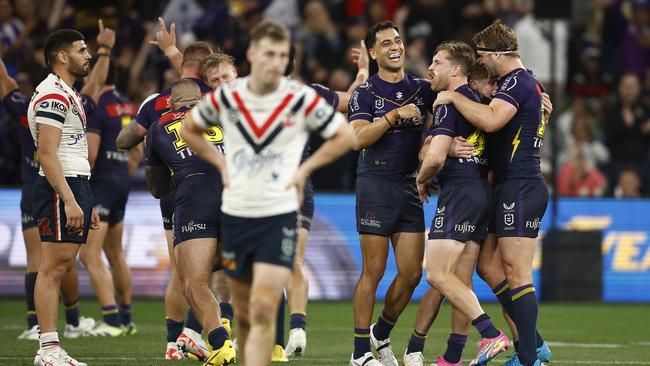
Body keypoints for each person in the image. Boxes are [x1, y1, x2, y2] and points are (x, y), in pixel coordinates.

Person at [179, 20, 354, 366]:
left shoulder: (298, 97)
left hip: (279, 214)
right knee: (244, 312)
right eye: (268, 53)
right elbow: (188, 128)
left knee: (263, 305)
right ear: (252, 54)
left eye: (282, 55)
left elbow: (345, 136)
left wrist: (305, 169)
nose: (275, 61)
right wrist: (221, 163)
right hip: (238, 213)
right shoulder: (230, 95)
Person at [433, 19, 551, 366]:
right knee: (487, 265)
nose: (479, 60)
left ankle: (529, 357)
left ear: (499, 54)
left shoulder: (517, 82)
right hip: (506, 185)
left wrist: (453, 96)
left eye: (482, 54)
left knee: (517, 273)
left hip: (521, 184)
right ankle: (536, 344)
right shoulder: (524, 82)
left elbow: (491, 121)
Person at [115, 18, 218, 359]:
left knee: (183, 272)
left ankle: (176, 340)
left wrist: (147, 142)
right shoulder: (216, 102)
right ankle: (201, 331)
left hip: (173, 189)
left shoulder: (153, 105)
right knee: (211, 272)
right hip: (214, 186)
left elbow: (125, 139)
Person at [346, 20, 434, 366]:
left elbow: (458, 93)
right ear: (373, 52)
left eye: (397, 40)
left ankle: (380, 333)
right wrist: (394, 116)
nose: (394, 47)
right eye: (385, 43)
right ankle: (359, 353)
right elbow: (356, 138)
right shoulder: (365, 94)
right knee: (374, 270)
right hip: (375, 185)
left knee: (412, 273)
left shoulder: (423, 88)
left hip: (409, 186)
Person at [417, 40, 509, 366]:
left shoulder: (448, 103)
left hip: (459, 194)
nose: (431, 67)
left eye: (437, 62)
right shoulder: (480, 102)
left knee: (437, 275)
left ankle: (490, 333)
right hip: (481, 193)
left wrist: (420, 177)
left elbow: (435, 155)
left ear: (456, 70)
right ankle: (453, 355)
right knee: (459, 276)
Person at [283, 41, 370, 359]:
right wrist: (362, 71)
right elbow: (353, 102)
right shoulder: (309, 94)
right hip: (300, 185)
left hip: (275, 189)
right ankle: (296, 328)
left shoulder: (247, 94)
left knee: (254, 265)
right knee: (293, 263)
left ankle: (240, 331)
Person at [146, 79, 235, 366]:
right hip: (235, 192)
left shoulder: (159, 125)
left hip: (194, 195)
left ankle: (221, 345)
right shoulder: (225, 112)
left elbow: (158, 187)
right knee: (226, 271)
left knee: (193, 282)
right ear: (202, 98)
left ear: (171, 103)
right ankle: (233, 328)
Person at [28, 28, 100, 366]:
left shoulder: (66, 93)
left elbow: (70, 149)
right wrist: (71, 199)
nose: (88, 55)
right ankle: (48, 349)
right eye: (82, 49)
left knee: (62, 264)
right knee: (54, 267)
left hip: (74, 183)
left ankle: (49, 347)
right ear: (62, 57)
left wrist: (85, 199)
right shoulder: (53, 95)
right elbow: (47, 152)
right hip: (61, 186)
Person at [81, 56, 139, 336]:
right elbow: (138, 148)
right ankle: (127, 319)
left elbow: (91, 155)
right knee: (114, 253)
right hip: (122, 181)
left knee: (89, 254)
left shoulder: (97, 106)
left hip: (101, 182)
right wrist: (124, 170)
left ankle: (112, 321)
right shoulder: (128, 104)